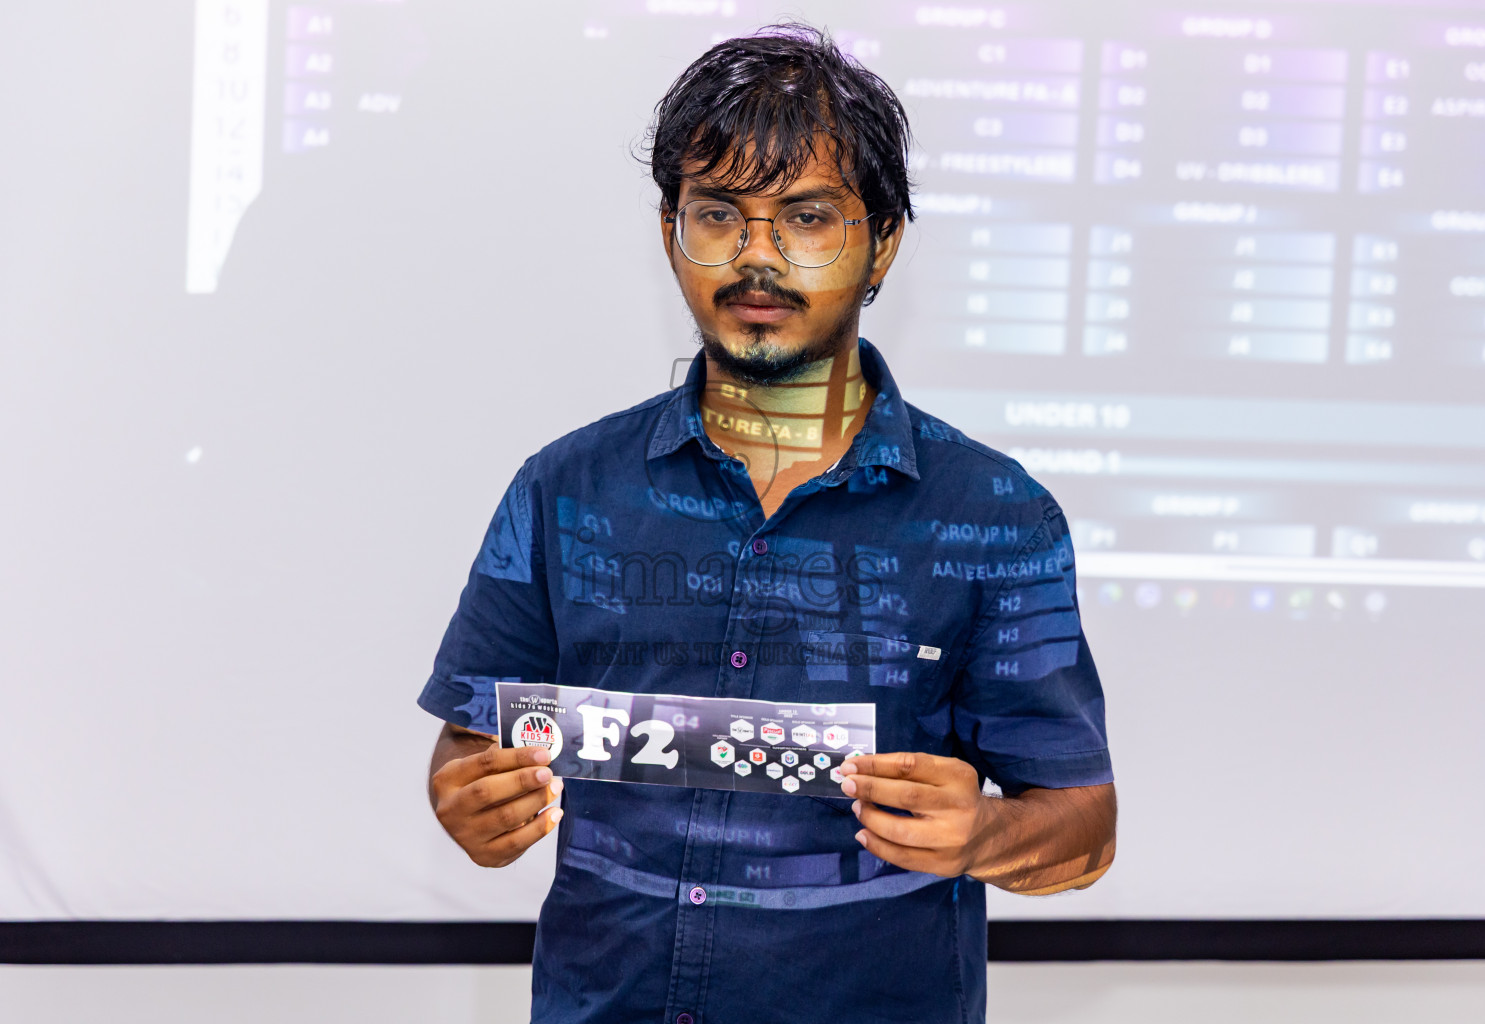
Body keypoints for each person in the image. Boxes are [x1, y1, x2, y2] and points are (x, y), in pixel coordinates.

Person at [419, 24, 1115, 1023]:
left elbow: (1084, 826)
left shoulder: (996, 517)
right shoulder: (562, 490)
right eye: (719, 215)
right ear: (671, 236)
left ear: (883, 242)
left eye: (807, 218)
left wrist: (982, 837)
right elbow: (467, 741)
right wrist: (467, 800)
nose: (757, 256)